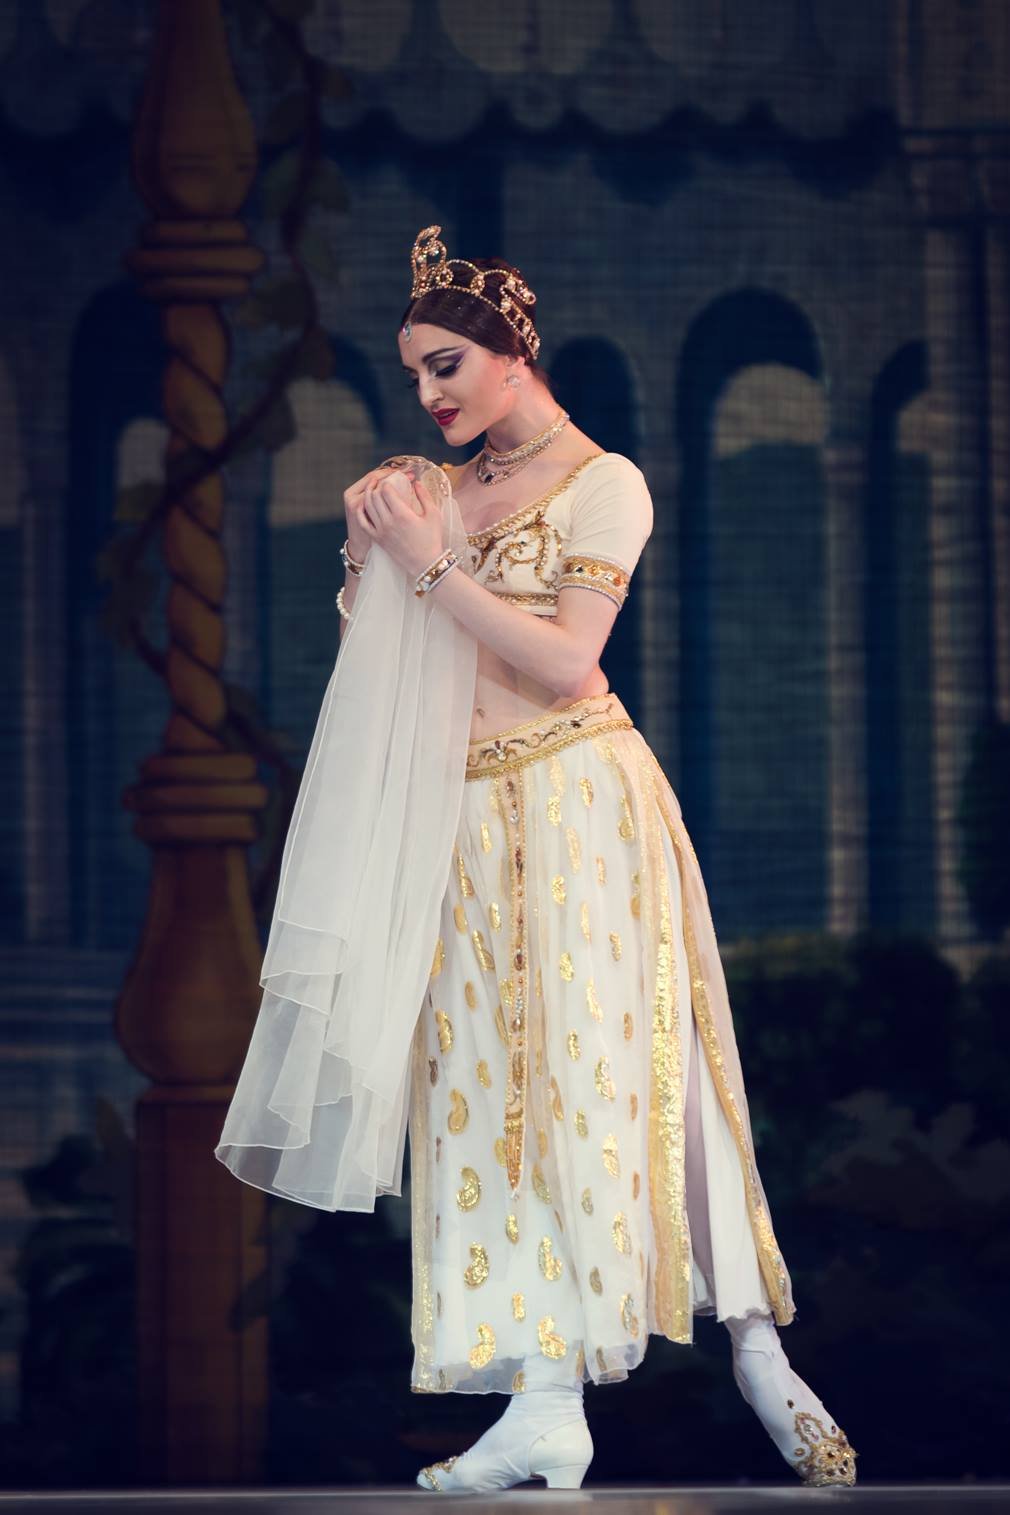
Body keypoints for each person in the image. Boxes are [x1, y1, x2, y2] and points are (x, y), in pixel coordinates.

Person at [216, 226, 857, 1493]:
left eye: (446, 364)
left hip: (576, 802)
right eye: (414, 373)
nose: (429, 393)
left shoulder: (603, 482)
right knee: (481, 1094)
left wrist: (427, 564)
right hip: (460, 823)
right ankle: (540, 1398)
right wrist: (370, 551)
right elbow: (390, 663)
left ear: (513, 353)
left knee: (635, 1071)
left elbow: (566, 661)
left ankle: (753, 1345)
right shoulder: (434, 493)